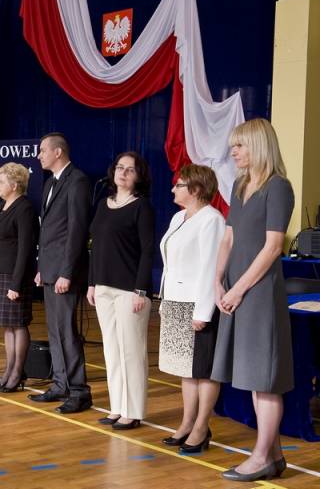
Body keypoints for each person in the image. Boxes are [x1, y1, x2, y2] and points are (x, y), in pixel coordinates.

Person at [212, 119, 294, 482]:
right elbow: (228, 238)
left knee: (265, 378)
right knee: (253, 375)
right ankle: (274, 456)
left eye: (240, 145)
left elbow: (273, 247)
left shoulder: (279, 188)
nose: (233, 151)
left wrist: (239, 288)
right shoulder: (239, 185)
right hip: (236, 290)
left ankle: (261, 457)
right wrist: (217, 280)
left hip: (259, 293)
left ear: (259, 146)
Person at [157, 164, 225, 454]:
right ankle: (186, 423)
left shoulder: (212, 220)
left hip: (197, 305)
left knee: (204, 371)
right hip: (175, 300)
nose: (173, 189)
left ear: (196, 189)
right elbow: (170, 263)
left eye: (179, 185)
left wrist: (203, 312)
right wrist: (164, 299)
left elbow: (211, 268)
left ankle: (201, 427)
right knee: (185, 369)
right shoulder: (178, 217)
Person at [87, 152, 155, 430]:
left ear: (139, 176)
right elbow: (95, 247)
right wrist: (92, 283)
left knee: (131, 352)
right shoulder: (103, 204)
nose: (123, 172)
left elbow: (148, 251)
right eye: (120, 167)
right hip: (103, 286)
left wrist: (141, 289)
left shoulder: (142, 207)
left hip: (130, 290)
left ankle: (133, 410)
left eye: (130, 169)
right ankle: (117, 407)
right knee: (112, 350)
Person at [29, 133, 93, 414]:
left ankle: (79, 390)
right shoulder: (49, 183)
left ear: (58, 152)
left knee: (67, 331)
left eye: (43, 150)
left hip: (65, 271)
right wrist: (42, 268)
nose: (39, 155)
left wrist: (67, 272)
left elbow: (76, 231)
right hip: (50, 268)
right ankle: (60, 384)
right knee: (54, 330)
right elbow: (48, 231)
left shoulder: (77, 180)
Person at [0, 163, 39, 393]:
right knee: (7, 325)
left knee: (18, 324)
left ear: (15, 185)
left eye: (1, 182)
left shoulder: (24, 208)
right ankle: (9, 369)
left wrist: (16, 283)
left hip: (15, 276)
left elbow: (26, 249)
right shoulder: (1, 206)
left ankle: (18, 372)